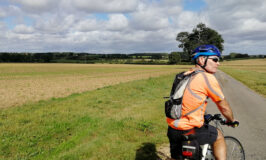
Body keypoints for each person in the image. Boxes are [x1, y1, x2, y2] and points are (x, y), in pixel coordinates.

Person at [167, 44, 237, 160]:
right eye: (215, 59)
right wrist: (231, 120)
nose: (218, 63)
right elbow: (223, 106)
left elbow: (184, 102)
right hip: (190, 130)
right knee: (218, 136)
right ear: (201, 59)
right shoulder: (206, 78)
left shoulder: (183, 75)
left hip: (173, 128)